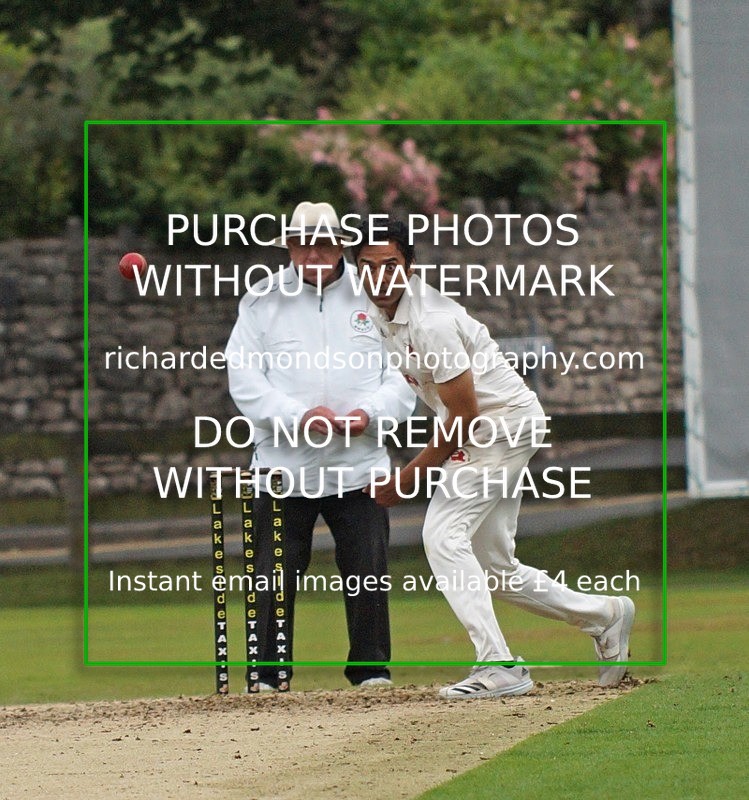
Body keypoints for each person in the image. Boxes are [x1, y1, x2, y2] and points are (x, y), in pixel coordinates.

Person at [353, 218, 635, 699]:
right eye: (367, 268)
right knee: (495, 569)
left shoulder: (431, 322)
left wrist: (406, 479)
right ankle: (605, 616)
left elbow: (463, 413)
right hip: (491, 427)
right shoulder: (380, 311)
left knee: (441, 534)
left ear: (410, 267)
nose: (379, 278)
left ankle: (500, 666)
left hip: (499, 426)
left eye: (390, 266)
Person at [225, 202, 414, 692]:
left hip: (360, 465)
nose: (314, 252)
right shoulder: (262, 300)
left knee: (367, 571)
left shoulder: (375, 296)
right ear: (289, 246)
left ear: (340, 247)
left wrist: (367, 415)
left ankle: (371, 669)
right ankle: (268, 674)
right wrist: (296, 417)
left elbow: (403, 375)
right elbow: (244, 381)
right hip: (284, 466)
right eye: (304, 243)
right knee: (274, 573)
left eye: (325, 243)